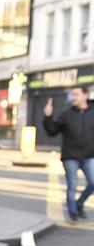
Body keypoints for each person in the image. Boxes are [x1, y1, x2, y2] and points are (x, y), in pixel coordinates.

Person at [43, 87, 94, 222]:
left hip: (89, 155)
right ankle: (73, 213)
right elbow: (52, 131)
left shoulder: (92, 112)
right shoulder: (66, 114)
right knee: (72, 185)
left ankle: (79, 203)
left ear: (84, 96)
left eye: (76, 94)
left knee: (93, 182)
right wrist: (48, 117)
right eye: (72, 94)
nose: (73, 97)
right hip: (70, 156)